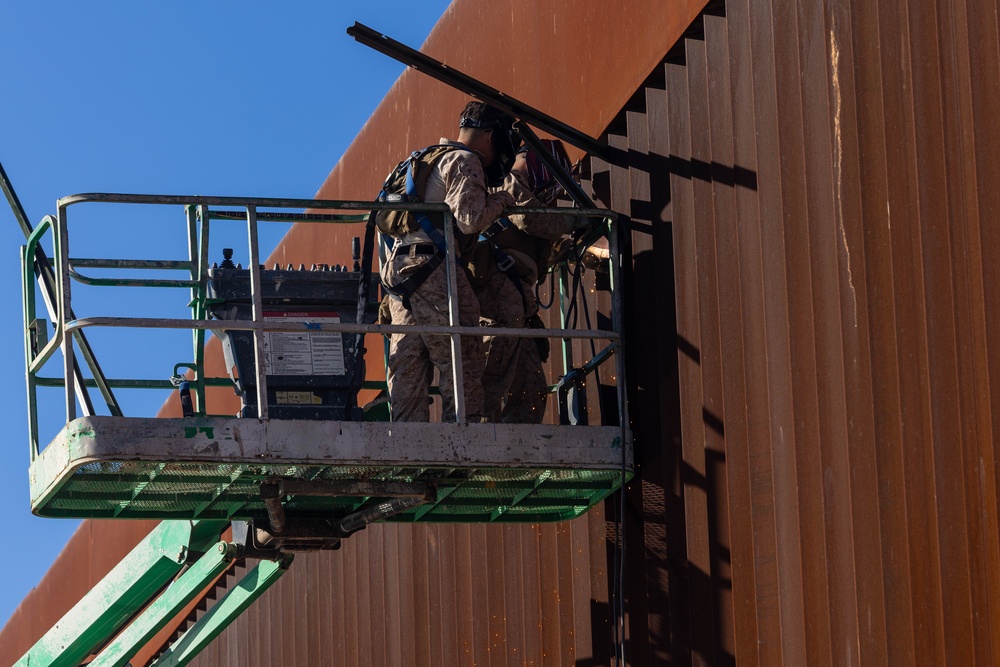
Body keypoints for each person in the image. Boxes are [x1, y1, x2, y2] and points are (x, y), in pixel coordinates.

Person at [379, 101, 517, 422]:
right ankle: (463, 443)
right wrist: (502, 199)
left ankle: (409, 447)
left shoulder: (424, 158)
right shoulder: (465, 160)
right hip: (433, 268)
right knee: (462, 352)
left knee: (409, 363)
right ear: (489, 135)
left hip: (402, 271)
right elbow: (471, 219)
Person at [469, 140, 580, 423]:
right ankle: (478, 449)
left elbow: (535, 244)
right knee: (490, 382)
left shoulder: (525, 190)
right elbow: (531, 220)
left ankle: (513, 456)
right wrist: (576, 220)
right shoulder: (507, 181)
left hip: (520, 305)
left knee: (532, 390)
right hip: (497, 300)